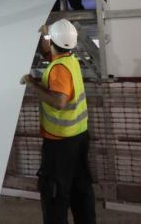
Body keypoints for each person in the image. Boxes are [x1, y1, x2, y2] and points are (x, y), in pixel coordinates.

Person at [21, 19, 96, 224]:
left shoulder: (58, 69)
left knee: (54, 193)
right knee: (80, 190)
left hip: (60, 143)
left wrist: (31, 84)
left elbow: (59, 101)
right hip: (79, 137)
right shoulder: (69, 60)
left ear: (55, 41)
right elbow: (48, 53)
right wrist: (44, 35)